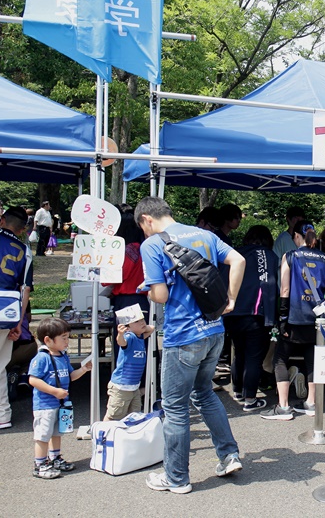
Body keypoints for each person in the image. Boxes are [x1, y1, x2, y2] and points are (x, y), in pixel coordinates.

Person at [136, 196, 246, 493]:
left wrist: (147, 290)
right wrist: (231, 299)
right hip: (214, 329)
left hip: (183, 335)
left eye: (143, 227)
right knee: (205, 393)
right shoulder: (205, 235)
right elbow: (239, 260)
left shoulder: (152, 244)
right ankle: (229, 455)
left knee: (174, 407)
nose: (145, 233)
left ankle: (176, 478)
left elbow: (160, 295)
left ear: (147, 219)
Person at [261, 220, 325, 420]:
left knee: (280, 358)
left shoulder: (291, 256)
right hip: (316, 318)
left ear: (296, 236)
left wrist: (282, 317)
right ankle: (311, 403)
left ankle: (283, 407)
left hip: (294, 316)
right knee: (312, 359)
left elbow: (285, 289)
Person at [28, 318, 93, 479]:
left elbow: (70, 376)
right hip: (45, 405)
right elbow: (33, 380)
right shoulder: (42, 358)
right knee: (43, 435)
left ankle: (55, 457)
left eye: (67, 337)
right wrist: (54, 391)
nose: (67, 341)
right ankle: (40, 464)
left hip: (60, 404)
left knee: (56, 432)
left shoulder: (63, 357)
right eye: (63, 338)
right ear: (48, 340)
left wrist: (83, 370)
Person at [226, 225, 278, 412]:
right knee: (254, 357)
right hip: (256, 314)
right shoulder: (269, 256)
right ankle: (250, 399)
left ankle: (237, 390)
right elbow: (272, 286)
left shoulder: (236, 253)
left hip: (233, 312)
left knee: (239, 352)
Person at [0, 207, 32, 429]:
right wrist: (18, 322)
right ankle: (2, 415)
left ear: (2, 220)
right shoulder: (24, 250)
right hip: (3, 310)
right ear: (22, 229)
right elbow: (25, 289)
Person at [103, 209, 148, 365]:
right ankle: (143, 377)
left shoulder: (129, 250)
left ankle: (128, 376)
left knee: (126, 344)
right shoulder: (143, 248)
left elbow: (115, 276)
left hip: (128, 302)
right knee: (141, 343)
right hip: (140, 299)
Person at [104, 304, 151, 421]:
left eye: (142, 319)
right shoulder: (130, 336)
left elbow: (152, 328)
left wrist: (140, 326)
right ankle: (103, 431)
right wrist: (121, 333)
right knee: (113, 416)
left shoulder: (140, 337)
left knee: (134, 416)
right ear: (127, 327)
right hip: (121, 386)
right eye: (136, 321)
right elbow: (121, 342)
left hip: (134, 387)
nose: (142, 322)